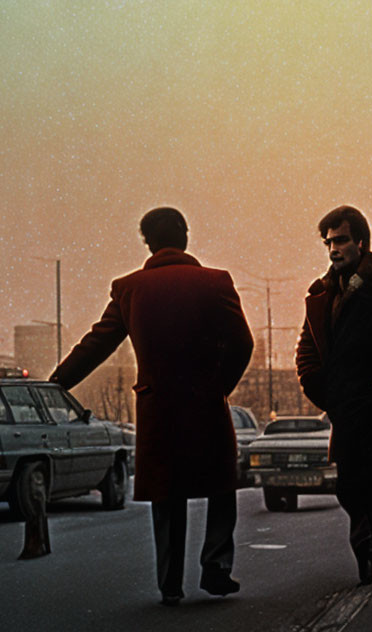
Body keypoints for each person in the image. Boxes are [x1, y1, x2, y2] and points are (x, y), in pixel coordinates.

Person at [49, 207, 253, 606]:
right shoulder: (216, 282)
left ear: (147, 241)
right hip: (206, 403)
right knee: (220, 484)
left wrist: (56, 382)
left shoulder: (129, 288)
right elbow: (243, 343)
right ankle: (216, 567)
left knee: (167, 492)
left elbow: (97, 343)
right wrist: (218, 387)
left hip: (158, 409)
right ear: (185, 235)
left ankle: (170, 583)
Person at [296, 205, 372, 585]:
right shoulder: (324, 293)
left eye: (339, 240)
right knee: (350, 488)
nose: (332, 249)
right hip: (346, 412)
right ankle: (370, 550)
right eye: (328, 242)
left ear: (360, 241)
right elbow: (308, 351)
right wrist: (326, 394)